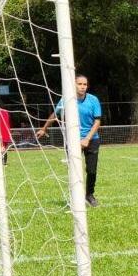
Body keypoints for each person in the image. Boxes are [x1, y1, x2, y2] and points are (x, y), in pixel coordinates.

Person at [38, 75, 102, 206]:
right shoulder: (66, 99)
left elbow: (97, 121)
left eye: (85, 84)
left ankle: (89, 195)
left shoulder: (93, 100)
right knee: (74, 170)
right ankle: (75, 196)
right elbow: (55, 114)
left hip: (91, 139)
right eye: (79, 84)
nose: (82, 87)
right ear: (74, 85)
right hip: (73, 140)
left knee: (91, 170)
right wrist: (44, 129)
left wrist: (86, 139)